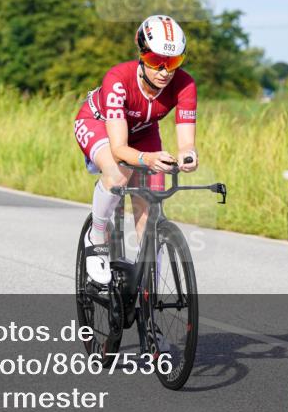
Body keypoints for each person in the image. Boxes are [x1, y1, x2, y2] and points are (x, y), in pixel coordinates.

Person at [74, 15, 199, 284]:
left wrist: (188, 156)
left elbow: (187, 143)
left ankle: (148, 285)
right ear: (142, 54)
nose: (165, 71)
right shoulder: (118, 79)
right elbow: (119, 148)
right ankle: (96, 236)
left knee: (150, 206)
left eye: (173, 62)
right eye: (156, 61)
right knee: (117, 173)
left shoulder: (185, 84)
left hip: (143, 131)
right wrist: (146, 158)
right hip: (98, 123)